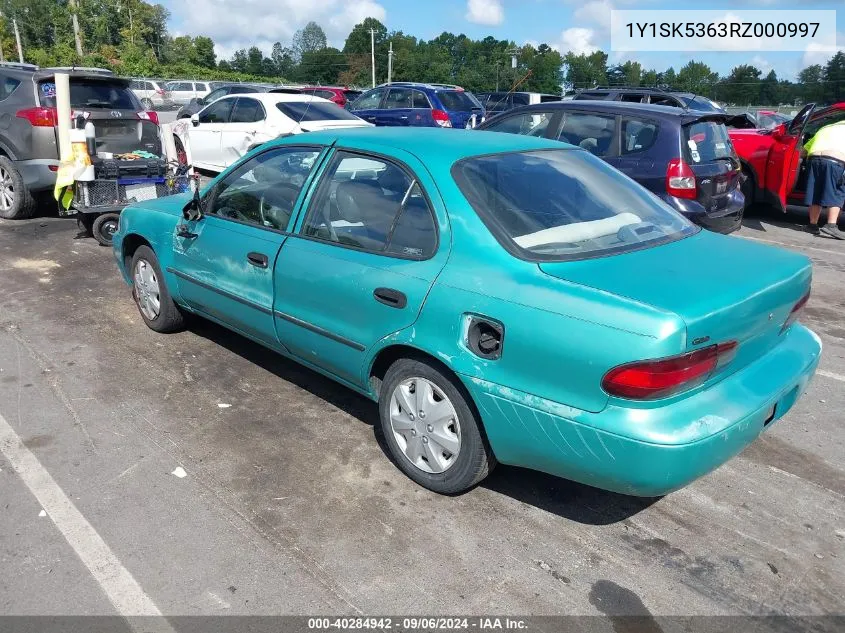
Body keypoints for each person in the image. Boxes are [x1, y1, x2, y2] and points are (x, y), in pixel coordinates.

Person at [803, 119, 845, 239]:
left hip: (814, 160)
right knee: (838, 191)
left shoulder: (825, 128)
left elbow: (804, 151)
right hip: (834, 161)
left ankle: (812, 225)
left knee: (816, 192)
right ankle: (831, 226)